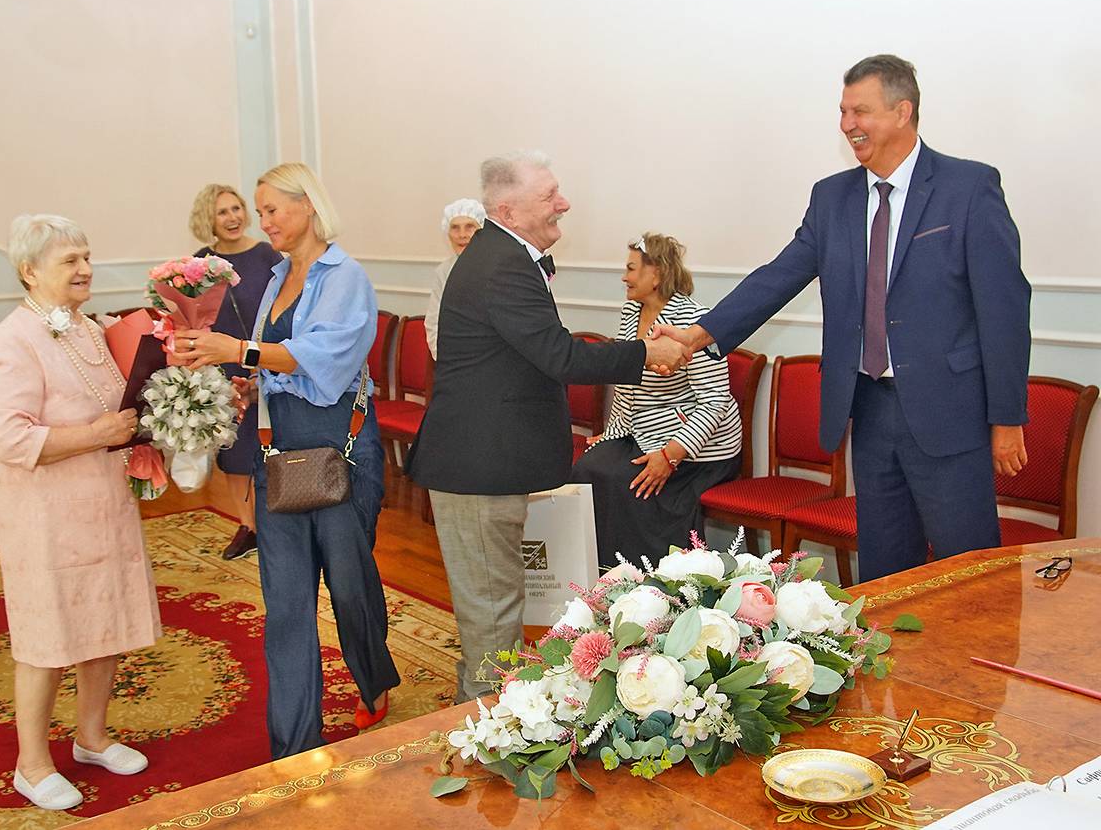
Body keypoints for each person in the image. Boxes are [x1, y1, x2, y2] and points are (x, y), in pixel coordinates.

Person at [656, 54, 1030, 582]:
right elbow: (779, 275)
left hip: (951, 412)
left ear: (902, 112)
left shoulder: (968, 187)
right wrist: (696, 335)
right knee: (885, 570)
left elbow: (1005, 308)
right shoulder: (832, 197)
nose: (848, 124)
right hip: (869, 408)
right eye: (843, 111)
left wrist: (1007, 417)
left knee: (969, 574)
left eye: (861, 111)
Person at [406, 151, 688, 701]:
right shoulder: (502, 263)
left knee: (496, 610)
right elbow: (559, 356)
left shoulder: (501, 255)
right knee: (493, 619)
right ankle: (485, 725)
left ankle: (490, 716)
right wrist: (646, 353)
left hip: (486, 462)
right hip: (477, 465)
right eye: (549, 196)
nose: (565, 203)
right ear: (508, 211)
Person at [175, 162, 400, 758]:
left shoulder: (345, 276)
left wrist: (240, 350)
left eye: (272, 209)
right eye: (261, 210)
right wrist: (252, 383)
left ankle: (373, 679)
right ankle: (295, 742)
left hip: (341, 450)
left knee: (350, 588)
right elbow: (278, 364)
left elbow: (323, 360)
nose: (264, 221)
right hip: (279, 454)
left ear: (309, 206)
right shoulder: (277, 277)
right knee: (286, 604)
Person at [0, 214, 160, 810]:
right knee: (47, 636)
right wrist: (95, 434)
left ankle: (92, 737)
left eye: (86, 257)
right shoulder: (12, 340)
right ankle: (31, 766)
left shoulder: (89, 329)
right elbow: (6, 438)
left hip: (102, 505)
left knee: (104, 621)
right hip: (46, 517)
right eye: (69, 261)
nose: (85, 269)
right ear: (29, 272)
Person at [571, 233, 742, 569]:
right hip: (641, 431)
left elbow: (714, 401)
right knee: (586, 470)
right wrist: (612, 434)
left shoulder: (695, 321)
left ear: (657, 273)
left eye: (631, 268)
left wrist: (670, 455)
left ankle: (653, 581)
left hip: (698, 447)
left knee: (631, 485)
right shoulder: (631, 312)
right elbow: (626, 378)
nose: (624, 277)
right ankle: (601, 576)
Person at [188, 183, 282, 559]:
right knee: (234, 453)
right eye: (222, 212)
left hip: (266, 364)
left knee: (271, 448)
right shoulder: (199, 264)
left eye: (236, 208)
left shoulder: (268, 255)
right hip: (221, 372)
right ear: (208, 220)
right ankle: (248, 527)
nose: (232, 217)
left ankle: (277, 525)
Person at [424, 198, 485, 359]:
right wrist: (446, 358)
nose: (462, 235)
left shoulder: (497, 268)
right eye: (455, 228)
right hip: (452, 361)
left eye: (469, 227)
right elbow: (433, 323)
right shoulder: (443, 271)